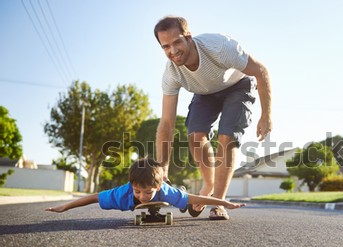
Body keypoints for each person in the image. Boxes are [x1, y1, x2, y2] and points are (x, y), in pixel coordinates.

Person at [154, 16, 272, 220]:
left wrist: (266, 115)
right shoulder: (171, 73)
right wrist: (162, 165)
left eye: (177, 42)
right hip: (205, 92)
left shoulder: (219, 47)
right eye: (166, 46)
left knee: (226, 137)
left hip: (238, 86)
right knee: (195, 136)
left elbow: (261, 71)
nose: (172, 51)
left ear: (188, 37)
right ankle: (208, 186)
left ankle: (218, 202)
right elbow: (166, 124)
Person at [45, 157, 244, 215]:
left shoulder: (164, 191)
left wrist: (224, 203)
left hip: (170, 192)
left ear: (156, 188)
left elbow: (198, 198)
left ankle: (179, 192)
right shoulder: (124, 193)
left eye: (148, 192)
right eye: (138, 191)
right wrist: (65, 207)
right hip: (152, 188)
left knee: (185, 202)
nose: (142, 196)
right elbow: (95, 197)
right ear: (131, 185)